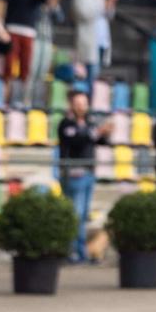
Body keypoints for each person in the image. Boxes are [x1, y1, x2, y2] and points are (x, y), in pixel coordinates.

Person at [58, 89, 111, 263]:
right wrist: (96, 133)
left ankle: (81, 251)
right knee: (76, 214)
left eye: (84, 103)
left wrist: (105, 133)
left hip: (89, 173)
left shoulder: (89, 122)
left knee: (83, 215)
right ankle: (73, 251)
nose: (82, 107)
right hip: (74, 174)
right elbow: (78, 140)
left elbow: (100, 141)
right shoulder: (66, 124)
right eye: (78, 103)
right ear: (72, 105)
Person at [0, 0, 47, 86]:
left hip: (28, 29)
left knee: (25, 64)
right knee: (9, 61)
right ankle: (5, 89)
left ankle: (20, 93)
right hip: (12, 26)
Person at [72, 0, 116, 92]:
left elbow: (108, 15)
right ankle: (85, 101)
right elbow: (85, 14)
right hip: (88, 42)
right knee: (87, 75)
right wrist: (103, 6)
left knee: (95, 76)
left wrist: (110, 6)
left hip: (101, 41)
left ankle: (91, 100)